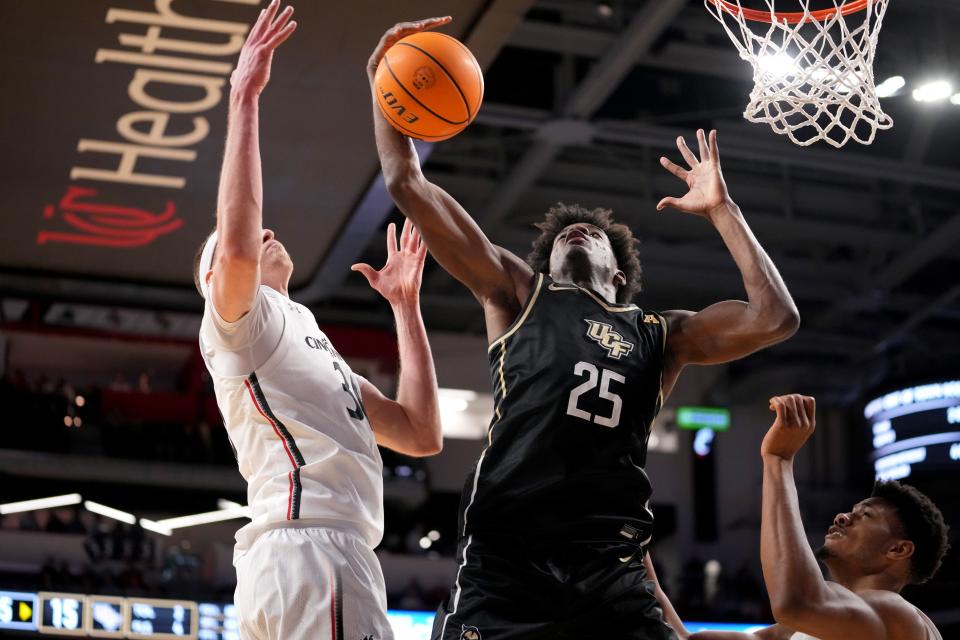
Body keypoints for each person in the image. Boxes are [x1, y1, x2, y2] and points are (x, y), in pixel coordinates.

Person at [368, 18, 800, 640]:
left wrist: (723, 211)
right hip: (508, 555)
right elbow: (406, 182)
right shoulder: (519, 292)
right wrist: (382, 87)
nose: (576, 231)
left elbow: (774, 319)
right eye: (562, 235)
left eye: (592, 232)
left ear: (620, 274)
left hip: (609, 562)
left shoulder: (662, 333)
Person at [196, 4, 442, 638]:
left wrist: (406, 311)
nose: (262, 230)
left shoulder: (304, 337)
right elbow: (240, 247)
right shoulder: (238, 325)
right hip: (312, 553)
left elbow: (419, 433)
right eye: (231, 247)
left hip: (303, 558)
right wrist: (244, 98)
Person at [672, 394, 949, 640]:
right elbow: (682, 637)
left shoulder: (898, 614)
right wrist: (634, 541)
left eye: (865, 515)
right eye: (851, 511)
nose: (842, 517)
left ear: (898, 549)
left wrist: (779, 459)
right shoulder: (802, 626)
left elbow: (795, 602)